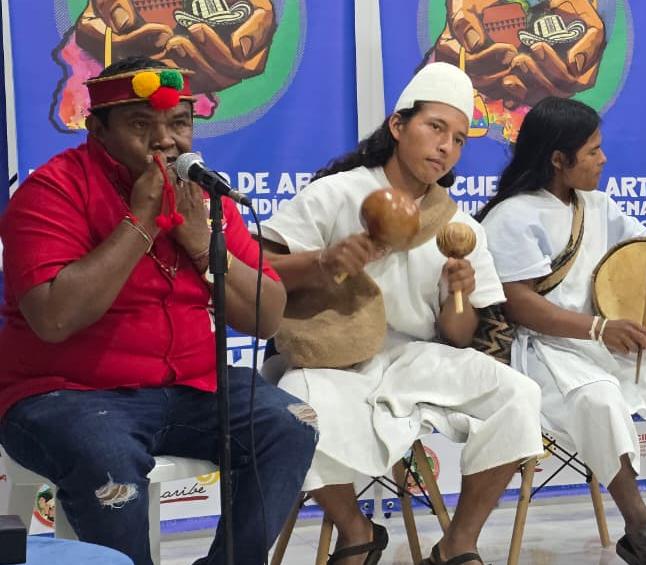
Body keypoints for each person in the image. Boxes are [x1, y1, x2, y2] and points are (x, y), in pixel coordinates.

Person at [0, 57, 316, 565]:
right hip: (68, 393)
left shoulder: (204, 197)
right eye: (140, 125)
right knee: (105, 456)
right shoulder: (51, 192)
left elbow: (266, 316)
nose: (164, 141)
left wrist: (200, 242)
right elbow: (54, 319)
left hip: (191, 387)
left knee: (290, 422)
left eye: (178, 123)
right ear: (97, 129)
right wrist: (140, 221)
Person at [259, 63, 543, 565]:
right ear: (397, 126)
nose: (445, 148)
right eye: (435, 128)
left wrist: (459, 294)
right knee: (294, 410)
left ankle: (458, 544)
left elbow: (458, 337)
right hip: (333, 358)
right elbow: (259, 269)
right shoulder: (338, 193)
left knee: (518, 393)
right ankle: (355, 530)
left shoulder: (455, 223)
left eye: (457, 140)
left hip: (415, 358)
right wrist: (323, 262)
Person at [477, 97, 646, 565]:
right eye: (593, 151)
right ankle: (640, 527)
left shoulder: (598, 205)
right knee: (598, 399)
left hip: (606, 341)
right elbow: (519, 303)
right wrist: (598, 328)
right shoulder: (512, 216)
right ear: (559, 159)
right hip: (547, 351)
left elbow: (639, 256)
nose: (603, 159)